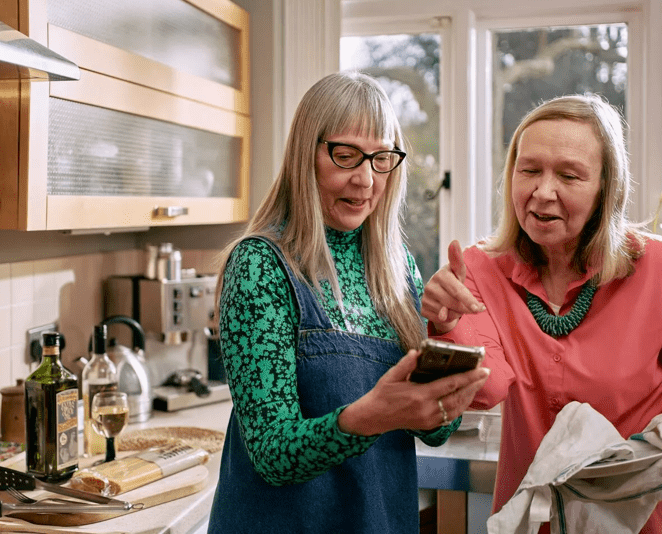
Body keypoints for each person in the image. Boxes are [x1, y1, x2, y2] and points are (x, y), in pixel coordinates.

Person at [421, 93, 662, 533]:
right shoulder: (478, 270)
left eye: (569, 175)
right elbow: (488, 388)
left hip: (656, 517)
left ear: (606, 190)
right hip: (543, 521)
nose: (542, 191)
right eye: (529, 169)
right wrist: (449, 324)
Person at [207, 71, 490, 533]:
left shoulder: (398, 271)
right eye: (345, 156)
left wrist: (446, 337)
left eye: (381, 159)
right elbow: (273, 455)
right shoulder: (262, 265)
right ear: (306, 154)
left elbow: (434, 430)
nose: (365, 180)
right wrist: (369, 416)